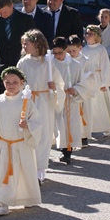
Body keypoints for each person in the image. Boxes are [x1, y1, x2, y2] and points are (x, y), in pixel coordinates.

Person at [0, 67, 42, 216]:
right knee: (4, 175)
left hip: (21, 143)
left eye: (15, 82)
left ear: (22, 82)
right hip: (4, 144)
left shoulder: (26, 101)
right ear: (3, 83)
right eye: (7, 82)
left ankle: (27, 197)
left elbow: (37, 120)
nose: (11, 85)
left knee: (24, 173)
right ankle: (3, 204)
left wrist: (28, 125)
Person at [16, 29, 65, 182]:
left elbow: (60, 84)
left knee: (43, 135)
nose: (24, 46)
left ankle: (39, 172)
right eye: (23, 43)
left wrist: (54, 87)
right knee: (28, 134)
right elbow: (17, 81)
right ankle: (28, 169)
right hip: (28, 102)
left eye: (27, 43)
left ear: (37, 44)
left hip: (44, 102)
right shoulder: (23, 62)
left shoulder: (48, 62)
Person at [0, 0, 36, 93]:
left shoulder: (25, 20)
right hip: (3, 67)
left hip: (22, 65)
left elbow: (35, 43)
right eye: (0, 12)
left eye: (5, 12)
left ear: (12, 6)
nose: (2, 15)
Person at [51, 37, 90, 165]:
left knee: (69, 126)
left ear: (66, 50)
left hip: (69, 100)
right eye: (55, 53)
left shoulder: (75, 65)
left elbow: (82, 83)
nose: (57, 56)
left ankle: (67, 152)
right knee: (55, 126)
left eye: (60, 53)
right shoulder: (49, 64)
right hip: (54, 100)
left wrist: (75, 90)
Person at [81, 25, 110, 137]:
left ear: (96, 36)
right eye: (86, 33)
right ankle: (89, 127)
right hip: (87, 79)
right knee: (89, 105)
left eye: (90, 34)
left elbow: (105, 66)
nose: (87, 36)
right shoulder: (84, 49)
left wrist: (104, 83)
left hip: (98, 79)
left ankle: (106, 126)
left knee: (100, 104)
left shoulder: (101, 49)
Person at [66, 35, 94, 147]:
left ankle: (83, 136)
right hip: (69, 93)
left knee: (83, 114)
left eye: (74, 51)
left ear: (80, 48)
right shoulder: (66, 61)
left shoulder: (86, 61)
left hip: (82, 94)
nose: (71, 53)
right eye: (69, 51)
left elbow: (91, 78)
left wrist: (79, 87)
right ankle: (70, 137)